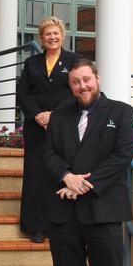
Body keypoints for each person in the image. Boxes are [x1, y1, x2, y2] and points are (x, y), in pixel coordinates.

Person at [43, 58, 133, 266]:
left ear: (97, 79)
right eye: (76, 81)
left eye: (86, 79)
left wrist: (81, 185)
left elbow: (122, 155)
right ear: (70, 85)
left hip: (103, 210)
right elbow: (48, 152)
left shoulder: (122, 112)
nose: (82, 86)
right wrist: (66, 176)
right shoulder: (58, 115)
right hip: (63, 213)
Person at [16, 17, 82, 243]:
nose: (52, 37)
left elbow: (77, 92)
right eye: (47, 34)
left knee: (58, 174)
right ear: (41, 39)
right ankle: (34, 226)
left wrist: (53, 115)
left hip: (63, 126)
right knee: (35, 175)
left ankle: (56, 225)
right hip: (35, 128)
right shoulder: (32, 62)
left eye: (56, 33)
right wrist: (38, 116)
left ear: (63, 36)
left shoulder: (75, 61)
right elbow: (23, 92)